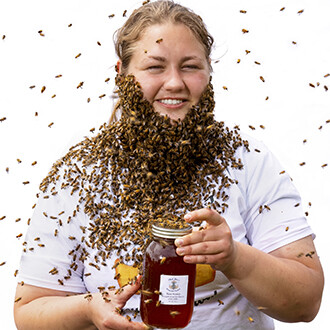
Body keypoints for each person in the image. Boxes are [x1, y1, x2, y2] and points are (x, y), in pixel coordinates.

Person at [14, 1, 324, 329]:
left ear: (208, 73)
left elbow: (305, 303)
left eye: (189, 66)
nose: (175, 83)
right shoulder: (76, 174)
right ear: (122, 74)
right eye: (155, 67)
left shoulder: (249, 161)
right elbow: (30, 312)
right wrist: (88, 307)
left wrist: (234, 257)